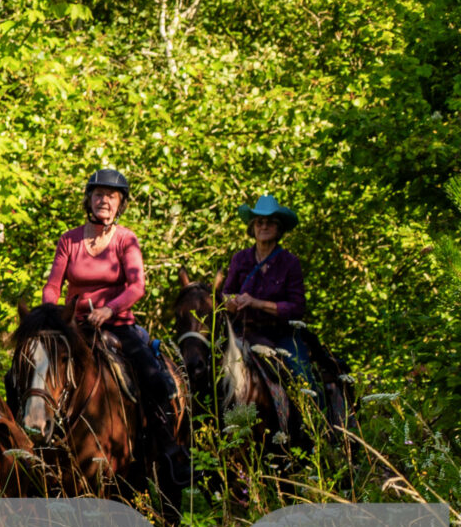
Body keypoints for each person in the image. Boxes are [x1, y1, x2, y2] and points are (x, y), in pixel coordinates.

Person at [38, 166, 186, 495]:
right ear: (88, 199)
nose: (104, 200)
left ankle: (169, 452)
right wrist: (51, 313)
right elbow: (53, 286)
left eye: (111, 196)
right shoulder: (69, 239)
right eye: (98, 194)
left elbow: (137, 286)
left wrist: (109, 309)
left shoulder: (125, 239)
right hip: (75, 327)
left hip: (118, 326)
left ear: (120, 204)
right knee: (33, 370)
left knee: (155, 380)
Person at [215, 194, 312, 381]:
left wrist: (257, 303)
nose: (264, 227)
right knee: (210, 370)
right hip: (244, 333)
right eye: (259, 222)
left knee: (303, 378)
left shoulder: (290, 262)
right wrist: (232, 303)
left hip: (281, 336)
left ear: (279, 228)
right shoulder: (240, 259)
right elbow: (226, 295)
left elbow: (297, 308)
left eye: (270, 223)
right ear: (253, 227)